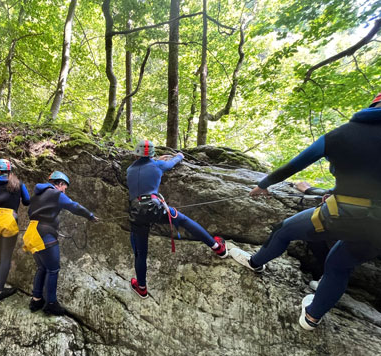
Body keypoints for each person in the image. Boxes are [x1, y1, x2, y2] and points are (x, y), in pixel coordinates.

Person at [230, 92, 381, 330]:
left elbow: (295, 164)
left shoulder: (340, 135)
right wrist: (319, 189)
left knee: (284, 230)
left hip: (339, 215)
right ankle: (312, 317)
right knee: (340, 264)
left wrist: (264, 185)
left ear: (373, 103)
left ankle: (255, 262)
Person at [127, 140, 227, 299]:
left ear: (136, 154)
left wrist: (156, 159)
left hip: (136, 212)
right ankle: (217, 247)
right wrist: (179, 155)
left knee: (141, 252)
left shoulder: (130, 169)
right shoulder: (158, 165)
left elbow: (144, 169)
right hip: (155, 207)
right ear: (152, 155)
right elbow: (171, 163)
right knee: (184, 221)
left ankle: (141, 287)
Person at [23, 171, 98, 315]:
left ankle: (36, 300)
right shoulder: (55, 194)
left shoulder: (37, 194)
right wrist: (90, 216)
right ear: (60, 183)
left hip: (32, 233)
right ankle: (51, 303)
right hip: (44, 235)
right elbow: (73, 206)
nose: (64, 190)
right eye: (64, 187)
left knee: (42, 268)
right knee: (53, 269)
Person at [0, 159, 30, 300]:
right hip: (10, 221)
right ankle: (0, 290)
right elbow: (27, 201)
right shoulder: (18, 184)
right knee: (5, 257)